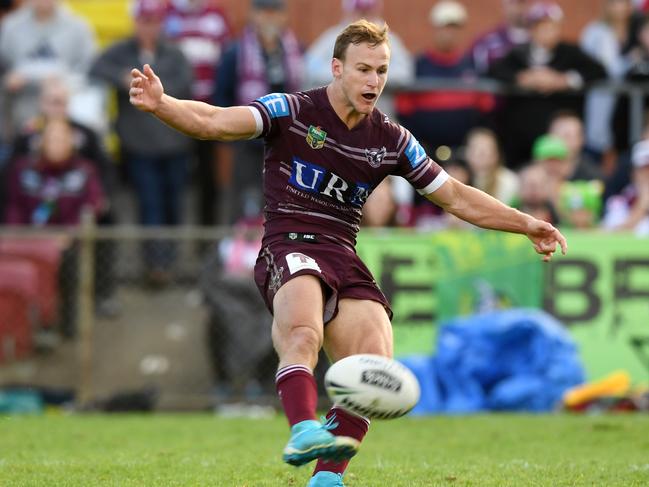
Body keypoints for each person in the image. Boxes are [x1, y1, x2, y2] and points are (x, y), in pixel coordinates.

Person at [129, 19, 567, 487]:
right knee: (302, 334)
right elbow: (215, 122)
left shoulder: (392, 139)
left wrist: (526, 223)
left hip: (343, 250)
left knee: (374, 367)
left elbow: (456, 197)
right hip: (290, 242)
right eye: (363, 69)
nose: (373, 81)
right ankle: (302, 429)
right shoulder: (292, 110)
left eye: (381, 71)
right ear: (337, 68)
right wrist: (163, 105)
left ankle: (327, 479)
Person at [90, 0, 193, 287]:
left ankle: (170, 261)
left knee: (173, 205)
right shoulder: (121, 52)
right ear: (136, 23)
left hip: (174, 144)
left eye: (154, 21)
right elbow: (96, 68)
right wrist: (124, 79)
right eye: (144, 21)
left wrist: (147, 87)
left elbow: (185, 83)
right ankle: (155, 265)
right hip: (138, 146)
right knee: (149, 205)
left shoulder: (174, 53)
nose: (149, 27)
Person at [213, 0, 303, 224]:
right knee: (245, 199)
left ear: (284, 17)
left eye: (275, 13)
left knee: (282, 197)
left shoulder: (296, 51)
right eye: (264, 13)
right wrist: (233, 131)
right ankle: (238, 253)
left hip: (285, 142)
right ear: (254, 16)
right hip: (249, 140)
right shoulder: (236, 52)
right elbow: (222, 94)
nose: (269, 19)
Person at [488, 1, 607, 168]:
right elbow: (495, 71)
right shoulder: (518, 54)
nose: (546, 32)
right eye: (540, 27)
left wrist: (564, 80)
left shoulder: (570, 53)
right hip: (520, 141)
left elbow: (598, 71)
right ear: (531, 30)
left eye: (551, 27)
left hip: (558, 141)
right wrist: (525, 78)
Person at [165, 0, 231, 228]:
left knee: (207, 178)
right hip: (173, 111)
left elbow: (224, 63)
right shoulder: (167, 13)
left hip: (208, 113)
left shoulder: (216, 15)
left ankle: (206, 242)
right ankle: (171, 242)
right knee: (174, 180)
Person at [470, 0, 531, 74]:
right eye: (514, 3)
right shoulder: (486, 42)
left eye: (523, 3)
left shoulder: (541, 41)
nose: (519, 9)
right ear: (504, 7)